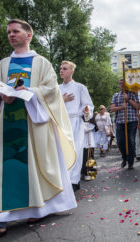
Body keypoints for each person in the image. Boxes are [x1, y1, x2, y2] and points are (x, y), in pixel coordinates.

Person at [0, 19, 76, 240]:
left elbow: (51, 91)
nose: (11, 35)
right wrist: (1, 95)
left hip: (33, 126)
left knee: (34, 169)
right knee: (2, 170)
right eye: (9, 32)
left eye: (16, 31)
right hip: (7, 125)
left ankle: (37, 210)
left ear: (29, 35)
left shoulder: (41, 62)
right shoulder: (3, 64)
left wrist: (31, 92)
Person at [59, 60, 94, 191]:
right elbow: (51, 105)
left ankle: (74, 180)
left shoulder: (80, 88)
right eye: (61, 68)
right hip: (61, 122)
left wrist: (87, 110)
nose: (62, 70)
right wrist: (61, 100)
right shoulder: (57, 88)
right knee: (62, 152)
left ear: (72, 71)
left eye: (65, 68)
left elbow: (89, 105)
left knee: (76, 150)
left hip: (75, 122)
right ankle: (63, 179)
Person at [111, 79, 140, 169]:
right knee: (120, 141)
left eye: (123, 83)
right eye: (120, 83)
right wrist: (121, 107)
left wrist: (128, 99)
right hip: (120, 121)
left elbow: (138, 107)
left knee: (131, 141)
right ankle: (124, 158)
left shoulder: (133, 94)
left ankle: (130, 162)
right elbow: (112, 109)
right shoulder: (116, 95)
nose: (121, 85)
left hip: (132, 121)